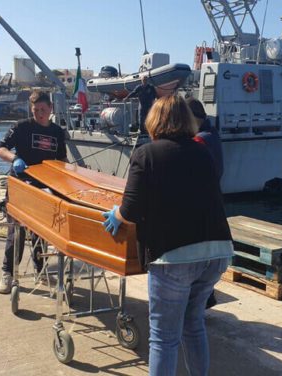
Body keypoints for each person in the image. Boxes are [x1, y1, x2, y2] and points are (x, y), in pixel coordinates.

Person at [101, 95, 233, 375]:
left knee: (163, 337)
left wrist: (116, 215)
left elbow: (131, 209)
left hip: (174, 257)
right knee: (192, 323)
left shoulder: (146, 154)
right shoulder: (203, 151)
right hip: (216, 253)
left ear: (153, 120)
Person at [0, 90, 67, 294]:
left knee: (41, 231)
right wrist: (14, 159)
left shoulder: (57, 132)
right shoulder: (21, 127)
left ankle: (41, 270)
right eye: (36, 110)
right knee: (16, 231)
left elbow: (62, 160)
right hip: (20, 185)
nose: (40, 114)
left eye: (43, 110)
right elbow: (0, 149)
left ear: (51, 109)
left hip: (43, 187)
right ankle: (8, 273)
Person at [187, 97, 225, 310]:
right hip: (213, 200)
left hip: (199, 203)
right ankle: (207, 296)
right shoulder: (213, 135)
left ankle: (202, 299)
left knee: (197, 254)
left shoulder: (200, 141)